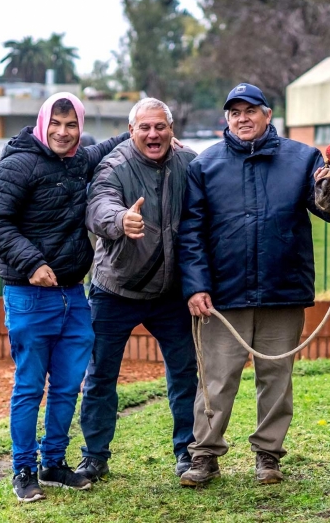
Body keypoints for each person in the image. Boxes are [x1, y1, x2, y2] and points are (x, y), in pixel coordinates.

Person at [177, 83, 330, 487]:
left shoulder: (303, 158)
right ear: (227, 119)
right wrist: (196, 286)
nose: (243, 118)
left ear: (267, 114)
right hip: (223, 295)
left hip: (282, 288)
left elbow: (329, 210)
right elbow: (191, 232)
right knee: (216, 379)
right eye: (235, 112)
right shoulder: (205, 166)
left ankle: (268, 456)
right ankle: (204, 455)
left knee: (276, 378)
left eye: (250, 110)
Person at [0, 92, 129, 502]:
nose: (64, 133)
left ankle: (53, 462)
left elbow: (104, 148)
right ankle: (23, 469)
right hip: (29, 295)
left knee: (67, 387)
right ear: (43, 123)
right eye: (56, 124)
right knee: (30, 387)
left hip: (73, 295)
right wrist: (31, 263)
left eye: (72, 125)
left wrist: (139, 132)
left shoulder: (78, 160)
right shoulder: (18, 164)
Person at [77, 98, 199, 482]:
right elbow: (98, 206)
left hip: (171, 293)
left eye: (160, 127)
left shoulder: (189, 163)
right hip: (116, 289)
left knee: (185, 374)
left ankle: (188, 452)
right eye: (144, 127)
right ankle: (95, 456)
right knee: (100, 377)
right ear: (131, 131)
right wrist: (120, 219)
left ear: (171, 130)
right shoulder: (113, 165)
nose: (153, 134)